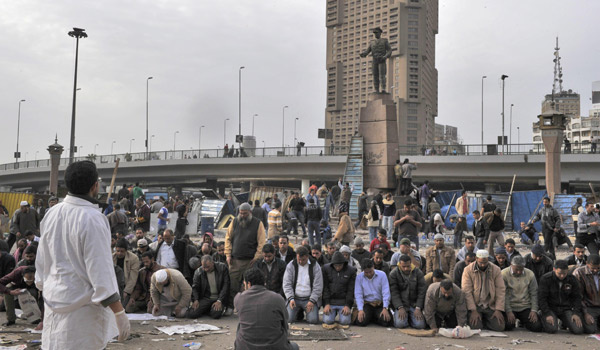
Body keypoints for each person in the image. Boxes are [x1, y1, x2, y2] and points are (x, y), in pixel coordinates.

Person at [35, 161, 129, 348]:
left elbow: (41, 262)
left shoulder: (52, 213)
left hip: (54, 302)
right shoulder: (93, 218)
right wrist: (119, 313)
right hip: (83, 314)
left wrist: (48, 287)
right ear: (95, 185)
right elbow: (100, 270)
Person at [234, 268, 299, 350]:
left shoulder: (239, 298)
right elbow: (285, 324)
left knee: (241, 324)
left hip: (246, 347)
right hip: (275, 347)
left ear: (249, 284)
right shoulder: (277, 298)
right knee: (295, 346)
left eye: (244, 284)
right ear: (263, 283)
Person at [225, 202, 266, 312]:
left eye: (245, 213)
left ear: (250, 212)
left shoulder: (258, 223)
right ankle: (231, 306)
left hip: (250, 261)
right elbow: (228, 238)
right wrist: (228, 254)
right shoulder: (234, 222)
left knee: (249, 286)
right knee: (233, 285)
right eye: (241, 213)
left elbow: (261, 242)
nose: (243, 215)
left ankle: (248, 309)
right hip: (235, 260)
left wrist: (257, 257)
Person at [538, 260, 587, 334]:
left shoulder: (572, 279)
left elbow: (577, 297)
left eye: (564, 273)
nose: (562, 276)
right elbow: (542, 298)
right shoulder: (546, 279)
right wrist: (547, 313)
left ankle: (564, 322)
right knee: (552, 329)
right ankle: (542, 315)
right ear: (554, 269)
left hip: (565, 308)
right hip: (550, 308)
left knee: (578, 330)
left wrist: (575, 313)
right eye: (559, 273)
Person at [461, 250, 506, 331]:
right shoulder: (468, 270)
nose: (483, 265)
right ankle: (481, 319)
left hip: (489, 305)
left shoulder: (496, 269)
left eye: (485, 262)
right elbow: (467, 292)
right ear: (476, 259)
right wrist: (473, 310)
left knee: (499, 326)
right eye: (481, 262)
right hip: (476, 305)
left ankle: (485, 319)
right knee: (475, 327)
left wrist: (498, 309)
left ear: (488, 259)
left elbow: (500, 290)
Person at [282, 246, 323, 324]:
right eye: (299, 259)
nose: (300, 262)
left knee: (313, 320)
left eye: (303, 259)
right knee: (288, 319)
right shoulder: (291, 265)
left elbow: (318, 286)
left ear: (307, 256)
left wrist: (312, 300)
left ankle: (303, 311)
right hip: (295, 298)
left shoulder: (315, 265)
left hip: (309, 298)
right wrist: (290, 298)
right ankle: (298, 312)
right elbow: (286, 283)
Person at [501, 256, 542, 332]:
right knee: (507, 326)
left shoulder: (530, 274)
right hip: (511, 306)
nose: (519, 272)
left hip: (525, 306)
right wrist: (508, 311)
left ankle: (523, 321)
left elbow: (534, 293)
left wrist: (534, 310)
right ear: (511, 265)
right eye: (516, 269)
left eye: (521, 269)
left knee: (537, 327)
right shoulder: (503, 274)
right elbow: (503, 294)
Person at [390, 255, 426, 329]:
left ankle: (410, 318)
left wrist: (418, 308)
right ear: (400, 265)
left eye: (408, 266)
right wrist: (400, 307)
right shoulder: (394, 274)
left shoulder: (418, 272)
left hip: (414, 304)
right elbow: (394, 292)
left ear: (411, 264)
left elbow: (421, 292)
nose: (406, 268)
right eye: (403, 266)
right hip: (401, 304)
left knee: (420, 325)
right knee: (400, 324)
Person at [322, 251, 357, 326]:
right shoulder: (326, 269)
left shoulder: (351, 271)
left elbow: (351, 290)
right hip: (331, 301)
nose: (338, 268)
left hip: (343, 301)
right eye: (336, 265)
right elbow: (325, 288)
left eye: (340, 265)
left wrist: (348, 305)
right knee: (327, 321)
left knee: (345, 322)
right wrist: (326, 303)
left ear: (344, 263)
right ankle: (332, 313)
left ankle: (347, 313)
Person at [354, 259, 391, 327]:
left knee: (386, 321)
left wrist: (385, 308)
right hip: (367, 304)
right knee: (360, 321)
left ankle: (373, 317)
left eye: (370, 271)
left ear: (373, 267)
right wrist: (360, 310)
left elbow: (386, 292)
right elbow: (358, 294)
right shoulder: (359, 277)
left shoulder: (382, 275)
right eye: (366, 272)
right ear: (363, 270)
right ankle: (371, 317)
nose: (369, 274)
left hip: (379, 304)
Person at [572, 254, 600, 333]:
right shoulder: (579, 273)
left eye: (598, 268)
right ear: (587, 264)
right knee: (590, 329)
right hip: (588, 306)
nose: (596, 270)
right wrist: (585, 313)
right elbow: (578, 297)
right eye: (593, 268)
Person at [359, 26, 392, 93]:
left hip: (382, 60)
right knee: (375, 75)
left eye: (377, 33)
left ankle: (383, 89)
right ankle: (376, 89)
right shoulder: (372, 42)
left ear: (380, 33)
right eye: (375, 33)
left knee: (382, 75)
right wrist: (363, 54)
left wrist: (385, 56)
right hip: (375, 60)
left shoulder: (384, 41)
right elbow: (367, 51)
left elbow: (389, 50)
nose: (376, 34)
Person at [113, 239, 140, 307]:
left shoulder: (134, 258)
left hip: (127, 286)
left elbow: (133, 277)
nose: (119, 253)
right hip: (114, 286)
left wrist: (126, 291)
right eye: (118, 251)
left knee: (125, 307)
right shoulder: (111, 257)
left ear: (126, 251)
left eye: (122, 251)